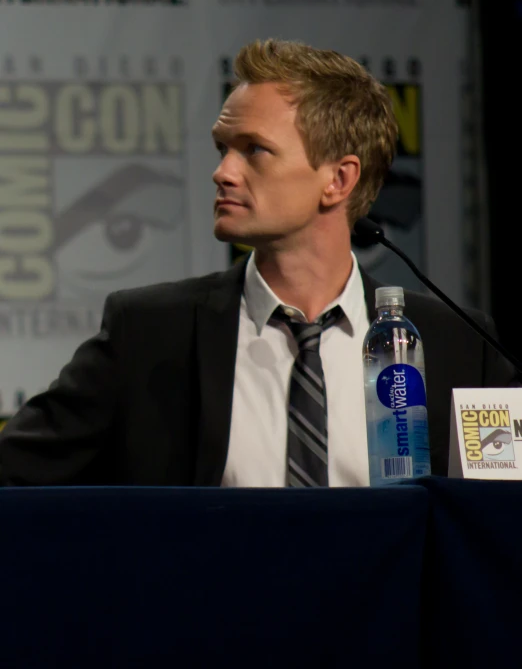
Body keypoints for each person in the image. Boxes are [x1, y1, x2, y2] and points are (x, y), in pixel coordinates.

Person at [0, 39, 514, 486]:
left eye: (254, 151)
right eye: (223, 149)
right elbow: (14, 471)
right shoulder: (149, 335)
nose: (223, 172)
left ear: (338, 179)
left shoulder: (461, 349)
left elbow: (498, 524)